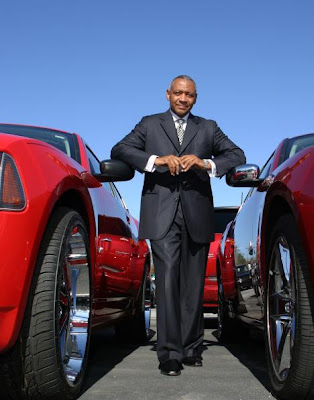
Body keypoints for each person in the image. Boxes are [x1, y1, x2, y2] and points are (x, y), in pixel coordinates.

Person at [111, 75, 246, 376]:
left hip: (197, 212)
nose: (183, 99)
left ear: (195, 98)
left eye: (189, 95)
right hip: (161, 212)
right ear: (168, 95)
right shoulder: (149, 124)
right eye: (178, 93)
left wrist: (205, 163)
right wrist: (156, 160)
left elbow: (236, 154)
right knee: (169, 280)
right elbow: (120, 149)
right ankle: (169, 353)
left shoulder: (208, 127)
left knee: (193, 283)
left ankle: (192, 347)